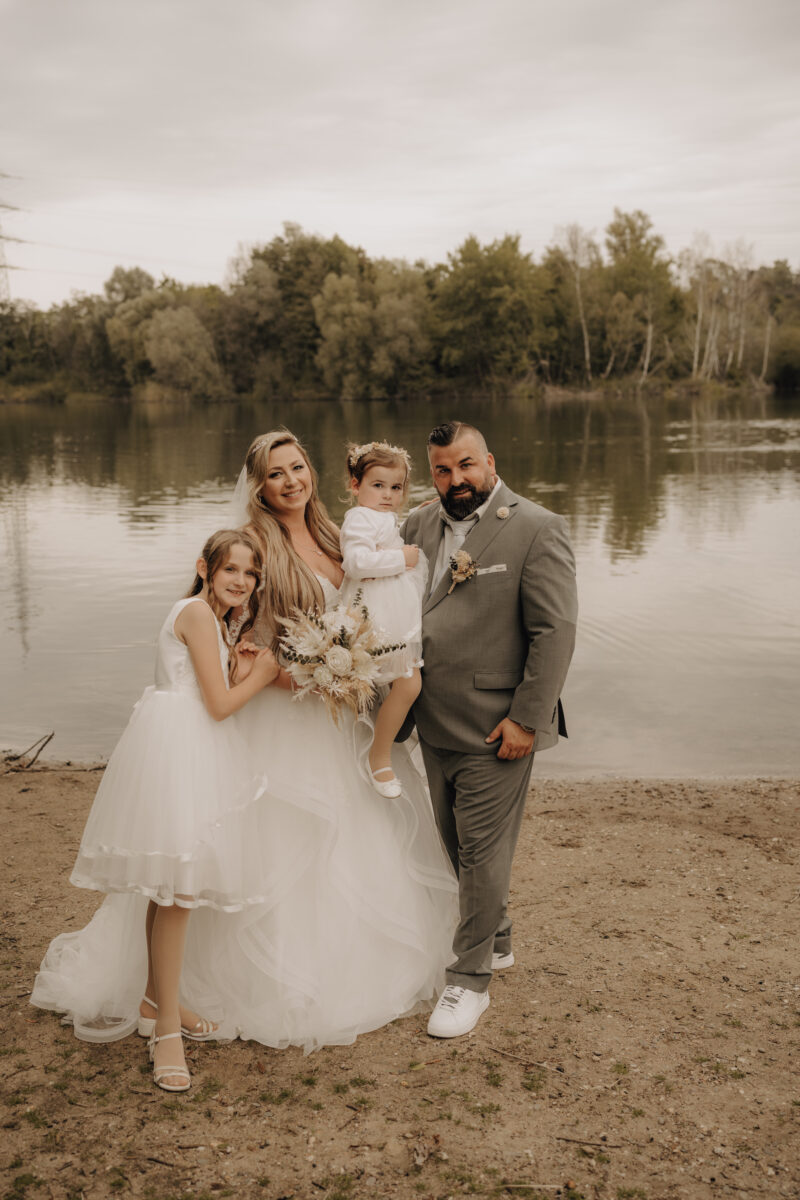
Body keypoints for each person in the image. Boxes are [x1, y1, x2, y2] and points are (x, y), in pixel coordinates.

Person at [215, 428, 458, 1052]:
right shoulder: (251, 545)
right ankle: (282, 979)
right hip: (288, 712)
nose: (291, 481)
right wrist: (300, 673)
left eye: (297, 467)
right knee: (296, 841)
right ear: (259, 486)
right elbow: (235, 637)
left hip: (340, 708)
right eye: (276, 474)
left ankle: (359, 962)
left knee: (358, 833)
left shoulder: (332, 530)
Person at [31, 530, 279, 1090]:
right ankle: (166, 1030)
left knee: (170, 889)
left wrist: (240, 663)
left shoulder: (212, 620)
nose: (241, 581)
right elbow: (219, 706)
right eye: (231, 569)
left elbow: (209, 685)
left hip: (189, 748)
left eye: (250, 573)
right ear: (205, 568)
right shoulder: (195, 613)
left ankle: (153, 1002)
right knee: (179, 893)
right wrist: (263, 676)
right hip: (180, 752)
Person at [402, 421, 578, 1038]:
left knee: (480, 852)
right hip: (430, 720)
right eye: (442, 470)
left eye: (466, 465)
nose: (456, 480)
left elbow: (555, 633)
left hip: (497, 726)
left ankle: (469, 981)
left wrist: (526, 718)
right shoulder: (417, 525)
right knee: (454, 843)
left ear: (490, 462)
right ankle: (497, 937)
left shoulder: (537, 528)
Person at [339, 440, 427, 798]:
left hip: (393, 613)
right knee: (399, 685)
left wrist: (420, 512)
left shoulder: (379, 516)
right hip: (373, 615)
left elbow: (385, 536)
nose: (388, 494)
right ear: (355, 485)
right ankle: (376, 757)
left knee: (403, 685)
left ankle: (376, 754)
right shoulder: (359, 517)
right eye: (378, 485)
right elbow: (355, 562)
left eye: (396, 487)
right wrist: (403, 559)